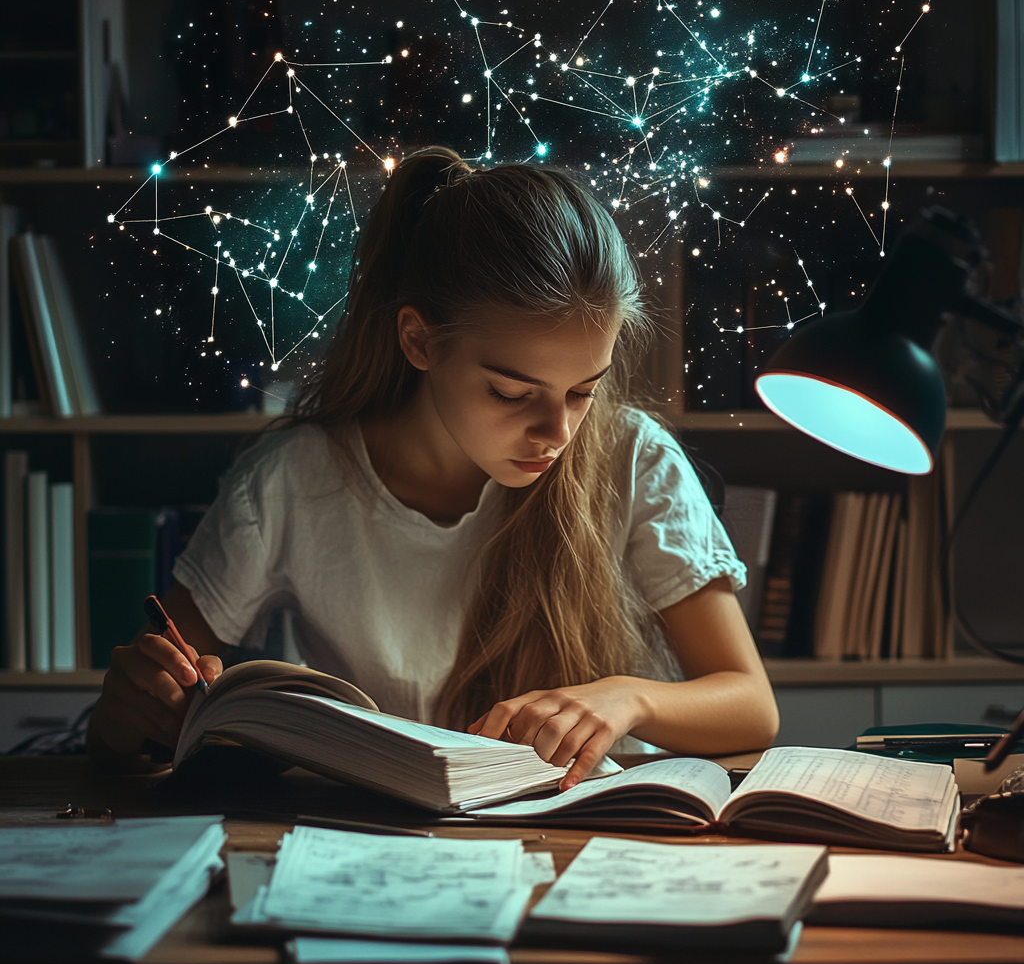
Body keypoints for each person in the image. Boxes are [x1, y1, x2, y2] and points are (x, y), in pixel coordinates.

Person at [88, 146, 779, 786]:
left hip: (592, 837)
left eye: (583, 392)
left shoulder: (633, 457)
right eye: (512, 392)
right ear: (419, 340)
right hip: (374, 846)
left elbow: (751, 706)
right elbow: (137, 727)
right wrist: (134, 711)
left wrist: (628, 698)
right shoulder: (291, 482)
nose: (557, 432)